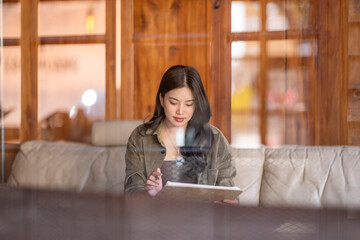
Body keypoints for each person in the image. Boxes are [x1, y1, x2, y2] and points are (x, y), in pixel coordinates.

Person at [124, 65, 237, 204]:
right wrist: (149, 192)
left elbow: (230, 194)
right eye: (173, 102)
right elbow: (131, 192)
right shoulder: (140, 138)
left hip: (201, 222)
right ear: (161, 99)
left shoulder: (215, 138)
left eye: (189, 104)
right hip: (157, 220)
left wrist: (227, 202)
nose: (180, 111)